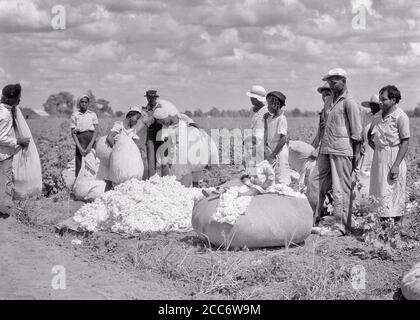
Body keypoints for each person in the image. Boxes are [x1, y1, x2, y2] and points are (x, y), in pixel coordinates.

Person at [313, 68, 363, 236]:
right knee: (314, 181)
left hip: (342, 151)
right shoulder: (328, 102)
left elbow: (357, 133)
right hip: (326, 149)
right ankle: (312, 218)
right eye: (330, 80)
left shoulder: (349, 102)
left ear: (344, 81)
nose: (332, 83)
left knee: (340, 188)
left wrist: (356, 157)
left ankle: (342, 226)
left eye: (336, 79)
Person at [368, 85, 409, 222]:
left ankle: (395, 229)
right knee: (378, 191)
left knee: (393, 193)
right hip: (379, 158)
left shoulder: (400, 117)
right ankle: (380, 228)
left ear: (393, 100)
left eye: (383, 99)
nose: (380, 102)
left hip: (394, 157)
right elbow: (370, 135)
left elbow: (405, 142)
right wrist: (379, 150)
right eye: (380, 99)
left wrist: (396, 165)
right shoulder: (377, 116)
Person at [153, 103, 211, 187]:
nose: (164, 123)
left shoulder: (183, 120)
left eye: (163, 121)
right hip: (180, 157)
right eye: (161, 122)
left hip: (191, 153)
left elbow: (195, 130)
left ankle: (196, 188)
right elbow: (169, 146)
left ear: (166, 116)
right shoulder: (167, 129)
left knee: (194, 171)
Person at [99, 106, 147, 191]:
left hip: (126, 160)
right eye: (136, 118)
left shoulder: (132, 131)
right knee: (111, 178)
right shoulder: (119, 126)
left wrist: (140, 151)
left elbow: (134, 145)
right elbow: (110, 137)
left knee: (124, 178)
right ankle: (106, 196)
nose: (137, 121)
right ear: (130, 116)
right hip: (116, 157)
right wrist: (116, 150)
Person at [0, 83, 30, 217]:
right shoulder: (5, 115)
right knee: (6, 181)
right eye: (17, 98)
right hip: (4, 154)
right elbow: (1, 138)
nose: (19, 100)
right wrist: (18, 141)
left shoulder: (5, 110)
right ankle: (4, 212)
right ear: (8, 99)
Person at [306, 83, 333, 212]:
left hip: (333, 152)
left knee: (316, 181)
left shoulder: (336, 110)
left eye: (328, 93)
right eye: (324, 94)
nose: (325, 96)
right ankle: (318, 212)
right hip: (323, 151)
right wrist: (310, 148)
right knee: (318, 183)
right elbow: (320, 134)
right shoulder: (323, 112)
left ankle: (317, 212)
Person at [263, 91, 291, 185]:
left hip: (279, 152)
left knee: (282, 177)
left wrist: (273, 154)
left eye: (269, 104)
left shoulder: (281, 119)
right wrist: (265, 120)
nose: (267, 107)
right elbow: (267, 133)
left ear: (276, 104)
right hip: (272, 152)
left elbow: (283, 139)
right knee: (273, 177)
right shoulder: (271, 119)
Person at [70, 95, 99, 177]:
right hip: (80, 139)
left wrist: (90, 145)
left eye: (85, 102)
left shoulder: (92, 114)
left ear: (88, 104)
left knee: (91, 160)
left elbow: (96, 131)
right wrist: (79, 147)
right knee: (79, 161)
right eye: (82, 102)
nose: (84, 104)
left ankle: (91, 180)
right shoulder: (75, 115)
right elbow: (73, 133)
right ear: (79, 103)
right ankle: (78, 182)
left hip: (91, 139)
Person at [244, 85, 268, 173]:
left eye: (253, 98)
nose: (251, 100)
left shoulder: (266, 110)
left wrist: (264, 144)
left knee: (259, 166)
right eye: (251, 98)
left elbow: (267, 129)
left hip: (260, 141)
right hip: (250, 140)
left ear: (259, 99)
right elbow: (250, 125)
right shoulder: (251, 110)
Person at [142, 90, 163, 179]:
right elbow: (146, 122)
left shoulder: (161, 107)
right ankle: (152, 179)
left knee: (163, 159)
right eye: (149, 98)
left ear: (155, 98)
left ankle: (165, 180)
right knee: (151, 158)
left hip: (161, 135)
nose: (150, 99)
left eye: (152, 98)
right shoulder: (145, 109)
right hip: (150, 135)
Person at [360, 94, 381, 176]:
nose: (372, 107)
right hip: (366, 147)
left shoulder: (383, 117)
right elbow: (363, 130)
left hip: (376, 147)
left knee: (375, 171)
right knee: (364, 172)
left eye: (375, 105)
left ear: (379, 106)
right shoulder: (367, 116)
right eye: (371, 105)